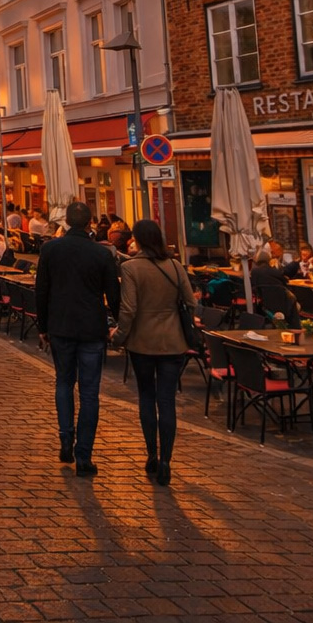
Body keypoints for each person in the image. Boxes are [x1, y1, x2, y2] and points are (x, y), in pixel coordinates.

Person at [34, 201, 117, 477]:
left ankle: (66, 438)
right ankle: (84, 455)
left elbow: (42, 290)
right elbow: (113, 295)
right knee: (90, 394)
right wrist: (116, 323)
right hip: (92, 329)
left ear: (67, 222)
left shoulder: (50, 249)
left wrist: (43, 326)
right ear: (90, 223)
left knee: (64, 382)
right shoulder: (102, 254)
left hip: (60, 326)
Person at [112, 219, 197, 487]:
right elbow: (191, 302)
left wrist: (119, 336)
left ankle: (151, 454)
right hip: (173, 342)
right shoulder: (174, 266)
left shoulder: (131, 268)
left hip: (142, 343)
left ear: (138, 240)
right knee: (167, 401)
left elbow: (128, 309)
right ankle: (166, 461)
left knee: (147, 397)